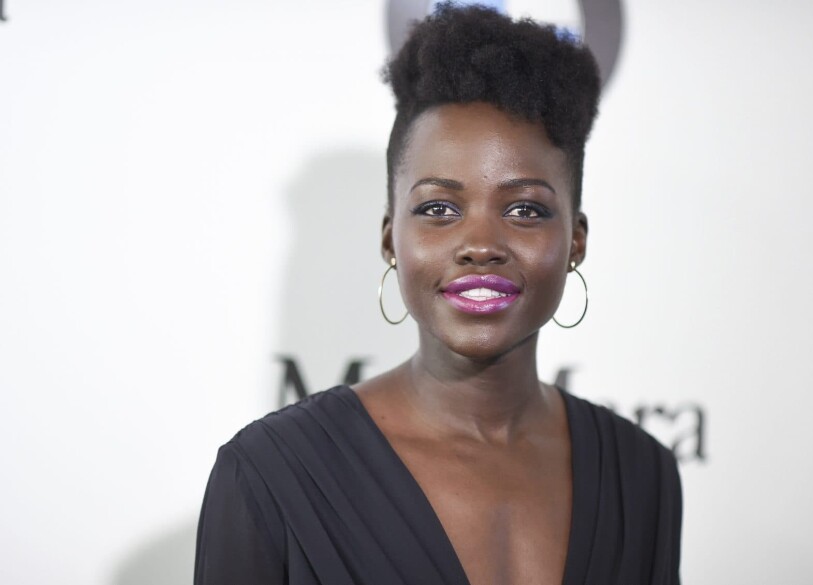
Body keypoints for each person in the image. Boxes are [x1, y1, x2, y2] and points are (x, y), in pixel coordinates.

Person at [194, 4, 682, 584]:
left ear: (575, 239)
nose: (481, 244)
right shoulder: (268, 474)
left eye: (525, 209)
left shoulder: (642, 473)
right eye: (439, 209)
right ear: (389, 238)